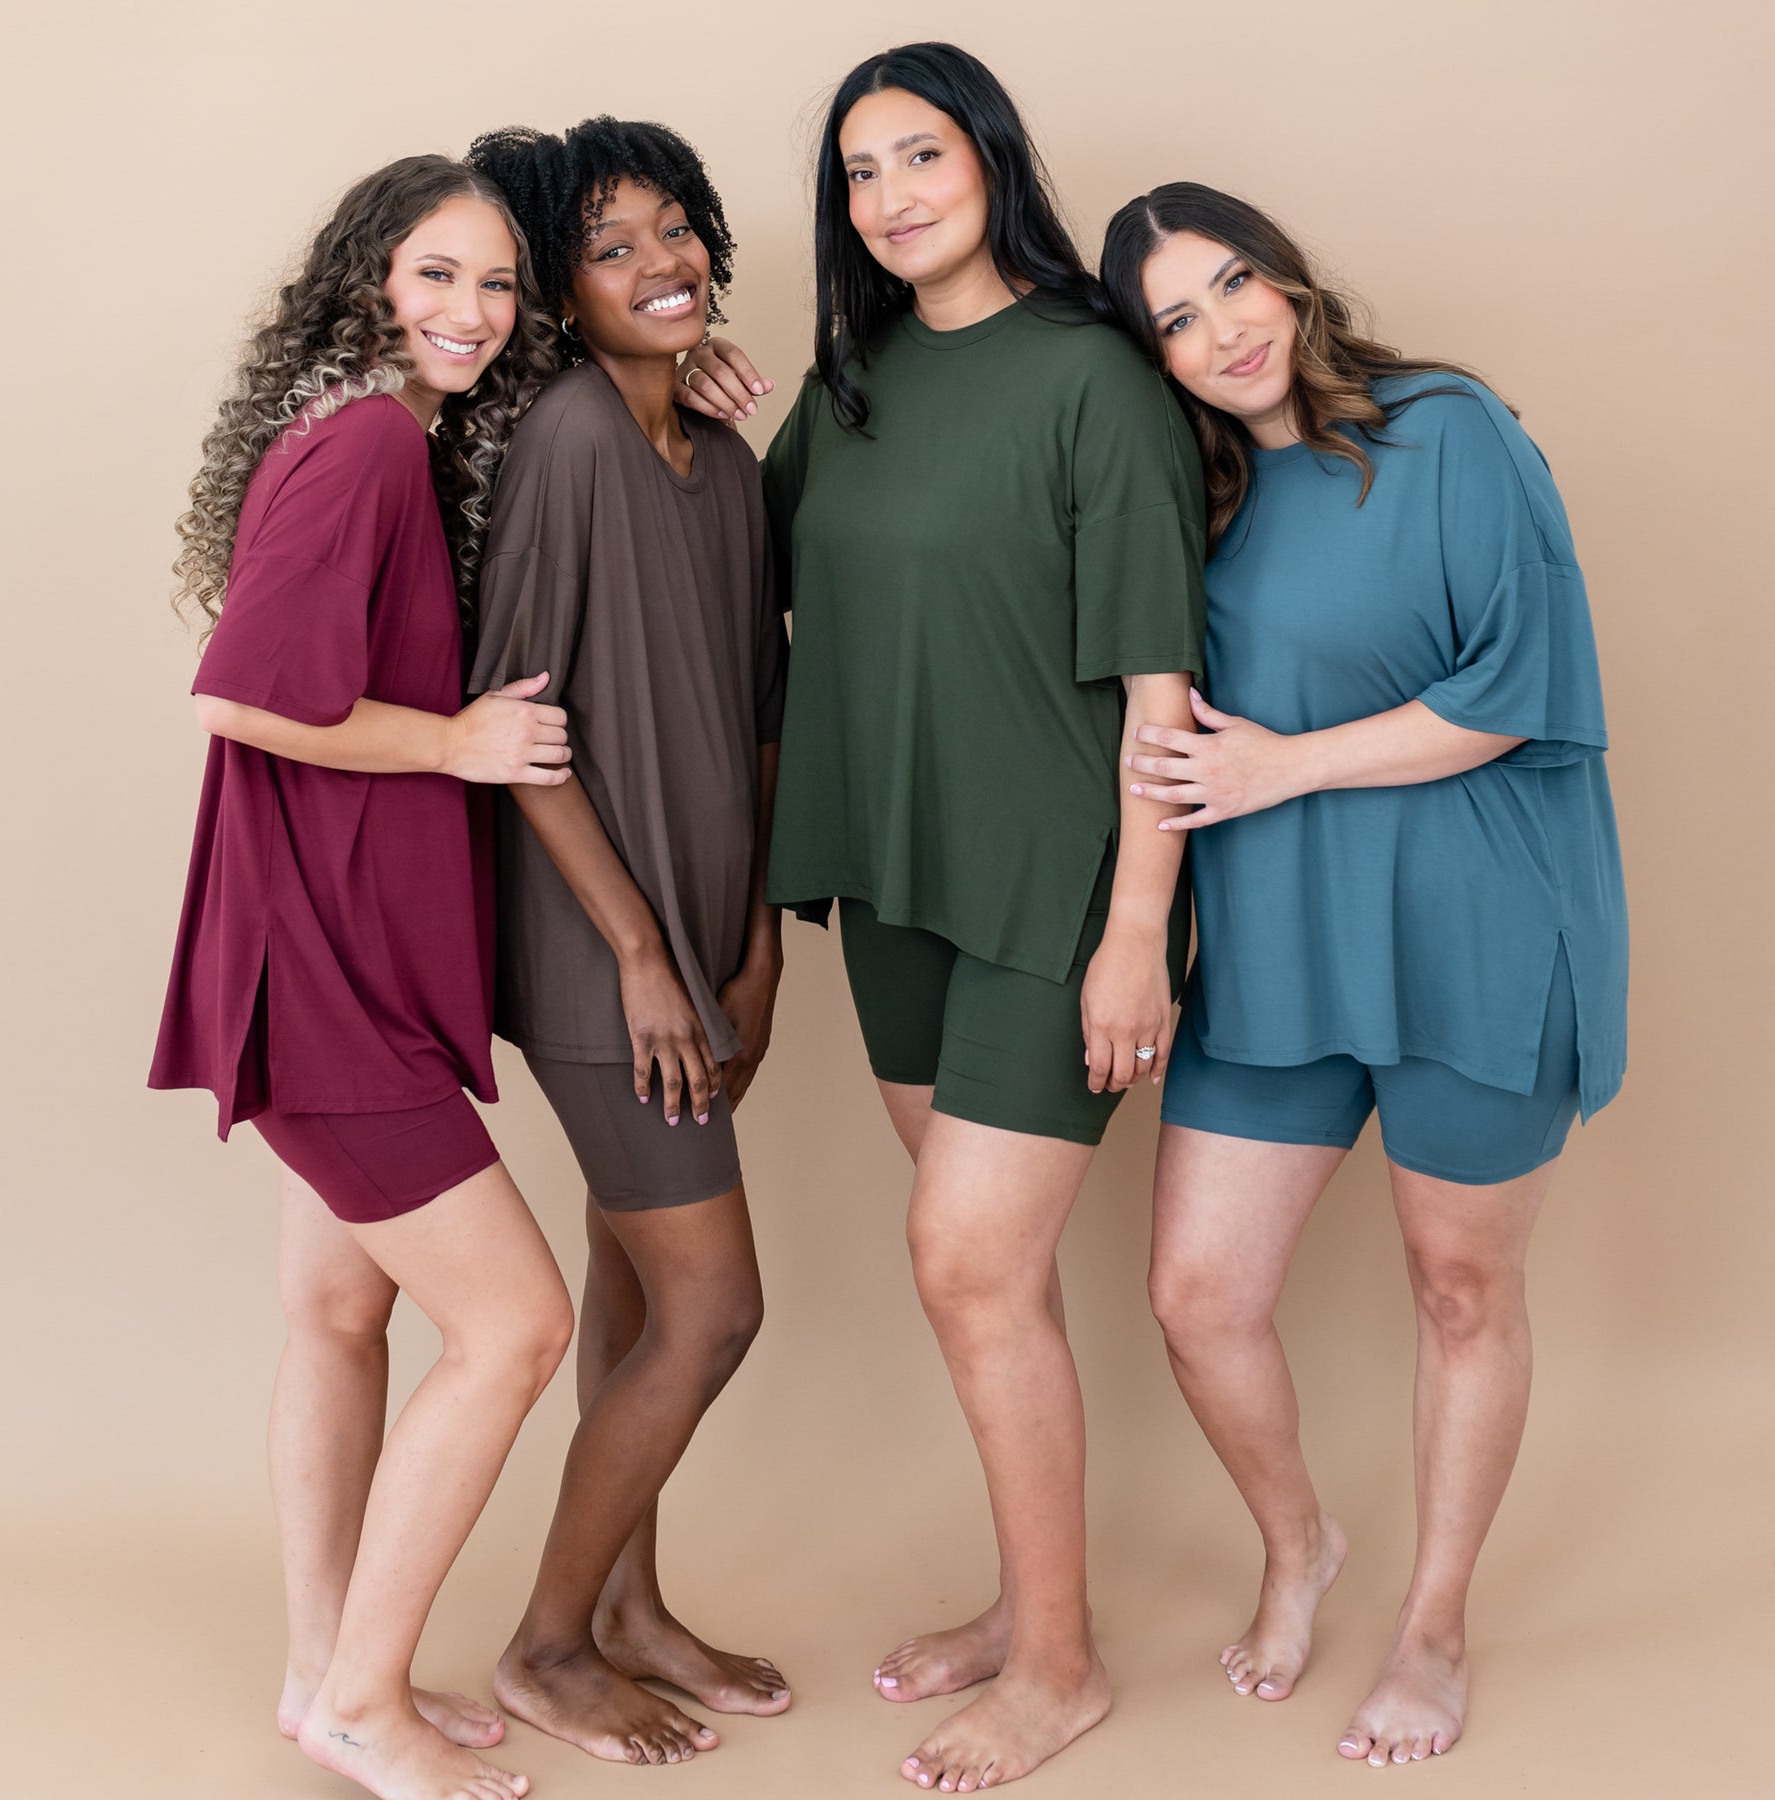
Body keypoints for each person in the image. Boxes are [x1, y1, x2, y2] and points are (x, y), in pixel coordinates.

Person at [686, 43, 1206, 1792]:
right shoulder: (841, 394)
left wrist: (1140, 928)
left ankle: (1056, 1667)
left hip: (1056, 894)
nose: (892, 195)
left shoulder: (1096, 379)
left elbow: (1159, 688)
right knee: (993, 1286)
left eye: (923, 154)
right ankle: (1028, 1598)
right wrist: (669, 390)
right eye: (858, 171)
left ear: (992, 160)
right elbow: (745, 602)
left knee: (966, 1265)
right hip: (894, 888)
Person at [1098, 182, 1628, 1770]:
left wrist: (1286, 770)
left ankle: (1435, 1624)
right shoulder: (1183, 498)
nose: (1221, 330)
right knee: (1199, 1296)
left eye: (1234, 284)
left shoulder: (1448, 430)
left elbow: (1521, 690)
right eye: (1174, 321)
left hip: (1478, 924)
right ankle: (1300, 1545)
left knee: (1463, 1290)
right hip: (1282, 945)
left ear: (1291, 280)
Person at [150, 154, 575, 1800]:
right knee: (518, 1325)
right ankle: (367, 1703)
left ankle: (321, 1672)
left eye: (494, 284)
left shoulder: (354, 430)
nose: (468, 313)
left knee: (341, 1310)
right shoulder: (374, 438)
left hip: (326, 950)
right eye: (435, 276)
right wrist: (464, 744)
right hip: (326, 966)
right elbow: (242, 696)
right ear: (368, 281)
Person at [464, 120, 791, 1767]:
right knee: (715, 1309)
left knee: (631, 1281)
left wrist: (753, 943)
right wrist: (649, 957)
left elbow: (756, 715)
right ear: (561, 294)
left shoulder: (724, 457)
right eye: (613, 245)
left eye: (679, 230)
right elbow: (518, 730)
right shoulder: (571, 443)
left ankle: (628, 1609)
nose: (662, 263)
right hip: (602, 959)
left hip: (702, 937)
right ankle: (544, 1642)